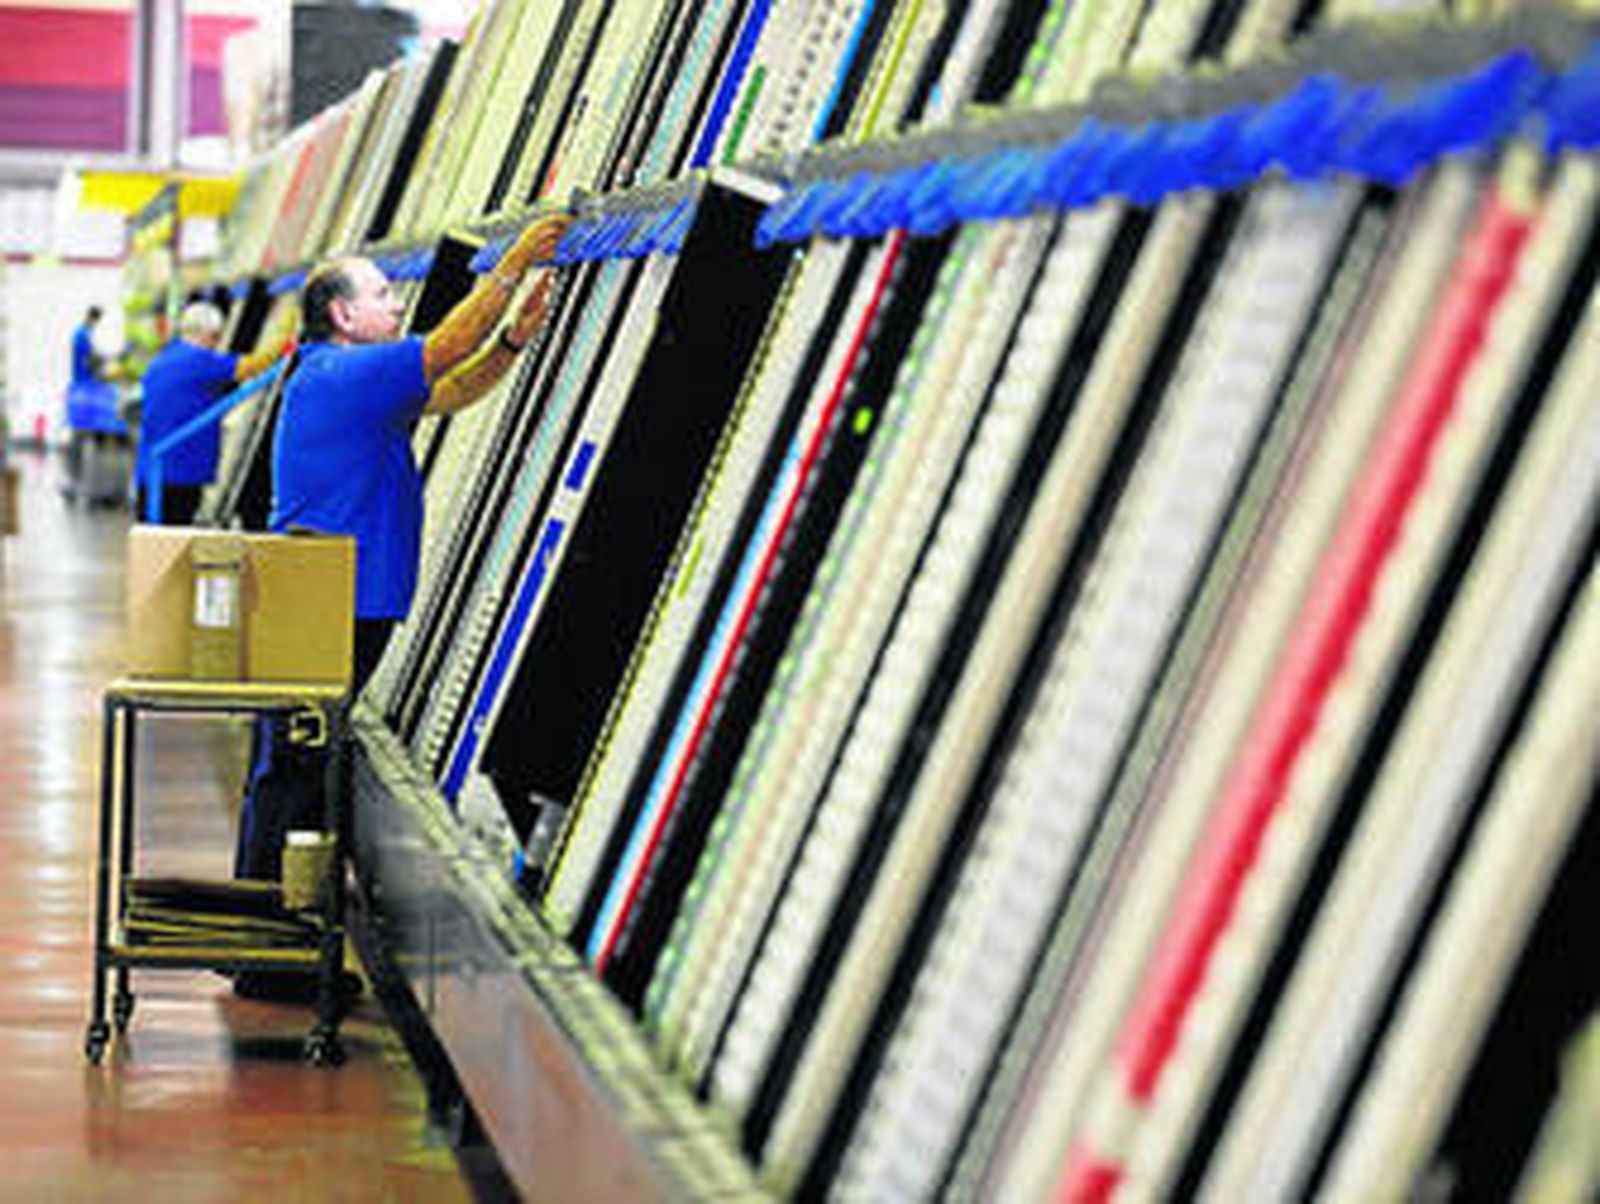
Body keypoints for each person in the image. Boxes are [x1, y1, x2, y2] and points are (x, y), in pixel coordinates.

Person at [230, 212, 570, 1001]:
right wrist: (514, 263)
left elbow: (450, 390)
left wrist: (514, 343)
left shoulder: (347, 385)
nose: (395, 306)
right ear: (343, 317)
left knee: (297, 768)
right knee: (296, 773)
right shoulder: (343, 374)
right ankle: (267, 956)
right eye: (382, 296)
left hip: (335, 597)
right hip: (327, 599)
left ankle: (271, 946)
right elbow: (448, 345)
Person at [133, 300, 289, 524]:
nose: (217, 344)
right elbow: (253, 365)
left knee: (154, 545)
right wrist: (287, 338)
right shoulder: (198, 360)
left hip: (153, 473)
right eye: (217, 337)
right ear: (209, 334)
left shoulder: (164, 359)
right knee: (174, 542)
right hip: (179, 475)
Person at [62, 305, 124, 502]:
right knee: (84, 439)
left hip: (82, 392)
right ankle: (83, 484)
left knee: (80, 439)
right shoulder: (82, 336)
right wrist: (109, 363)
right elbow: (91, 361)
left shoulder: (82, 335)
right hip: (85, 392)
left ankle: (77, 483)